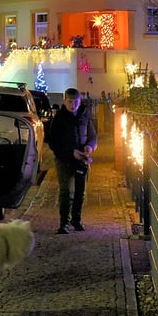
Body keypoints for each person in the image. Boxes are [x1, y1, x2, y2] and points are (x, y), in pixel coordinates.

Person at [47, 87, 97, 234]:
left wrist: (89, 147)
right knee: (66, 191)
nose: (73, 105)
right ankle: (64, 223)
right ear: (65, 101)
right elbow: (53, 142)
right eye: (70, 101)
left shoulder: (84, 115)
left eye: (76, 101)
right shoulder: (59, 118)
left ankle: (76, 220)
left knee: (80, 192)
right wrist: (70, 152)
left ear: (79, 101)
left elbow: (92, 135)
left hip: (82, 159)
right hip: (64, 160)